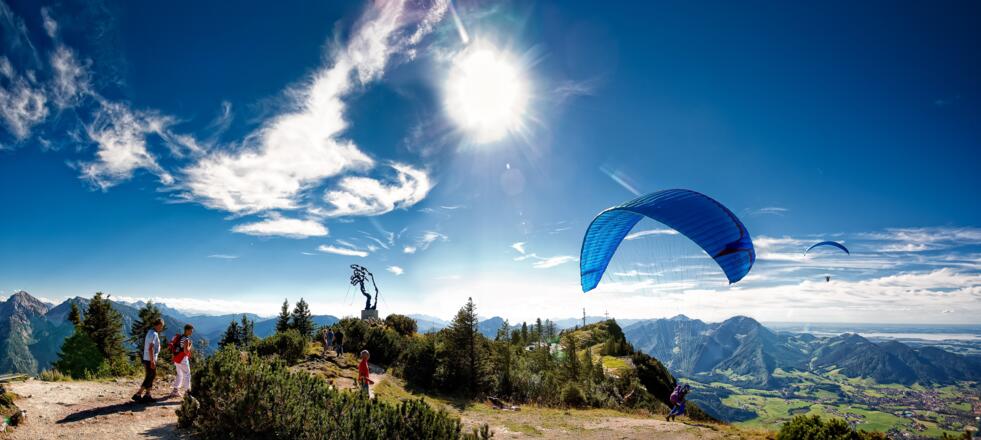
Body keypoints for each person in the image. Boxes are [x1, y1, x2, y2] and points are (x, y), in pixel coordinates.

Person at [133, 318, 164, 403]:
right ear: (158, 325)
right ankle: (138, 394)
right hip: (150, 359)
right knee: (150, 376)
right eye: (161, 326)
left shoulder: (150, 332)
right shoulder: (154, 334)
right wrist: (152, 361)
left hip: (147, 358)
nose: (161, 328)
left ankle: (147, 394)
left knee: (151, 376)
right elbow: (151, 348)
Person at [169, 324, 194, 398]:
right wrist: (190, 345)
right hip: (182, 359)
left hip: (177, 358)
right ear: (187, 330)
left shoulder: (180, 337)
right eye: (191, 330)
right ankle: (187, 393)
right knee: (187, 374)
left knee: (180, 374)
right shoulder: (186, 339)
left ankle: (175, 391)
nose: (191, 332)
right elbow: (186, 351)